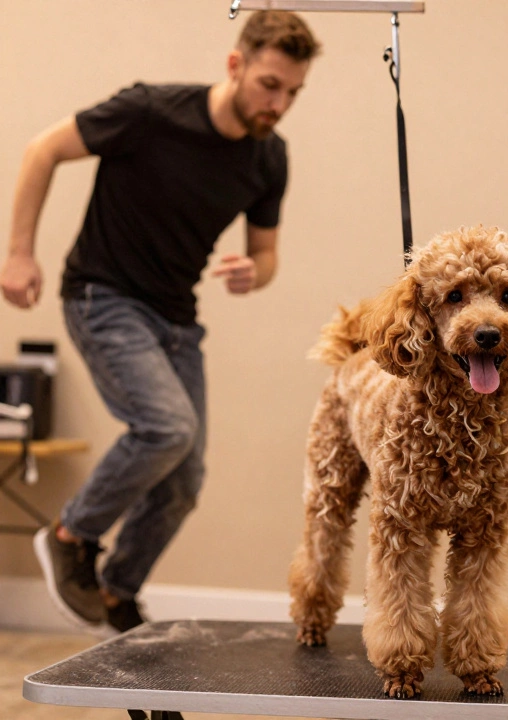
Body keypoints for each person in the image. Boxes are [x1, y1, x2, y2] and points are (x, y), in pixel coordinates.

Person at [0, 11, 320, 633]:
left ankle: (117, 590)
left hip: (176, 321)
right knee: (166, 428)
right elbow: (44, 150)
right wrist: (18, 252)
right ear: (236, 64)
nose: (278, 104)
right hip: (102, 295)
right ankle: (71, 533)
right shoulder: (150, 112)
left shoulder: (268, 158)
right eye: (270, 85)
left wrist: (257, 273)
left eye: (292, 93)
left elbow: (267, 254)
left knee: (186, 477)